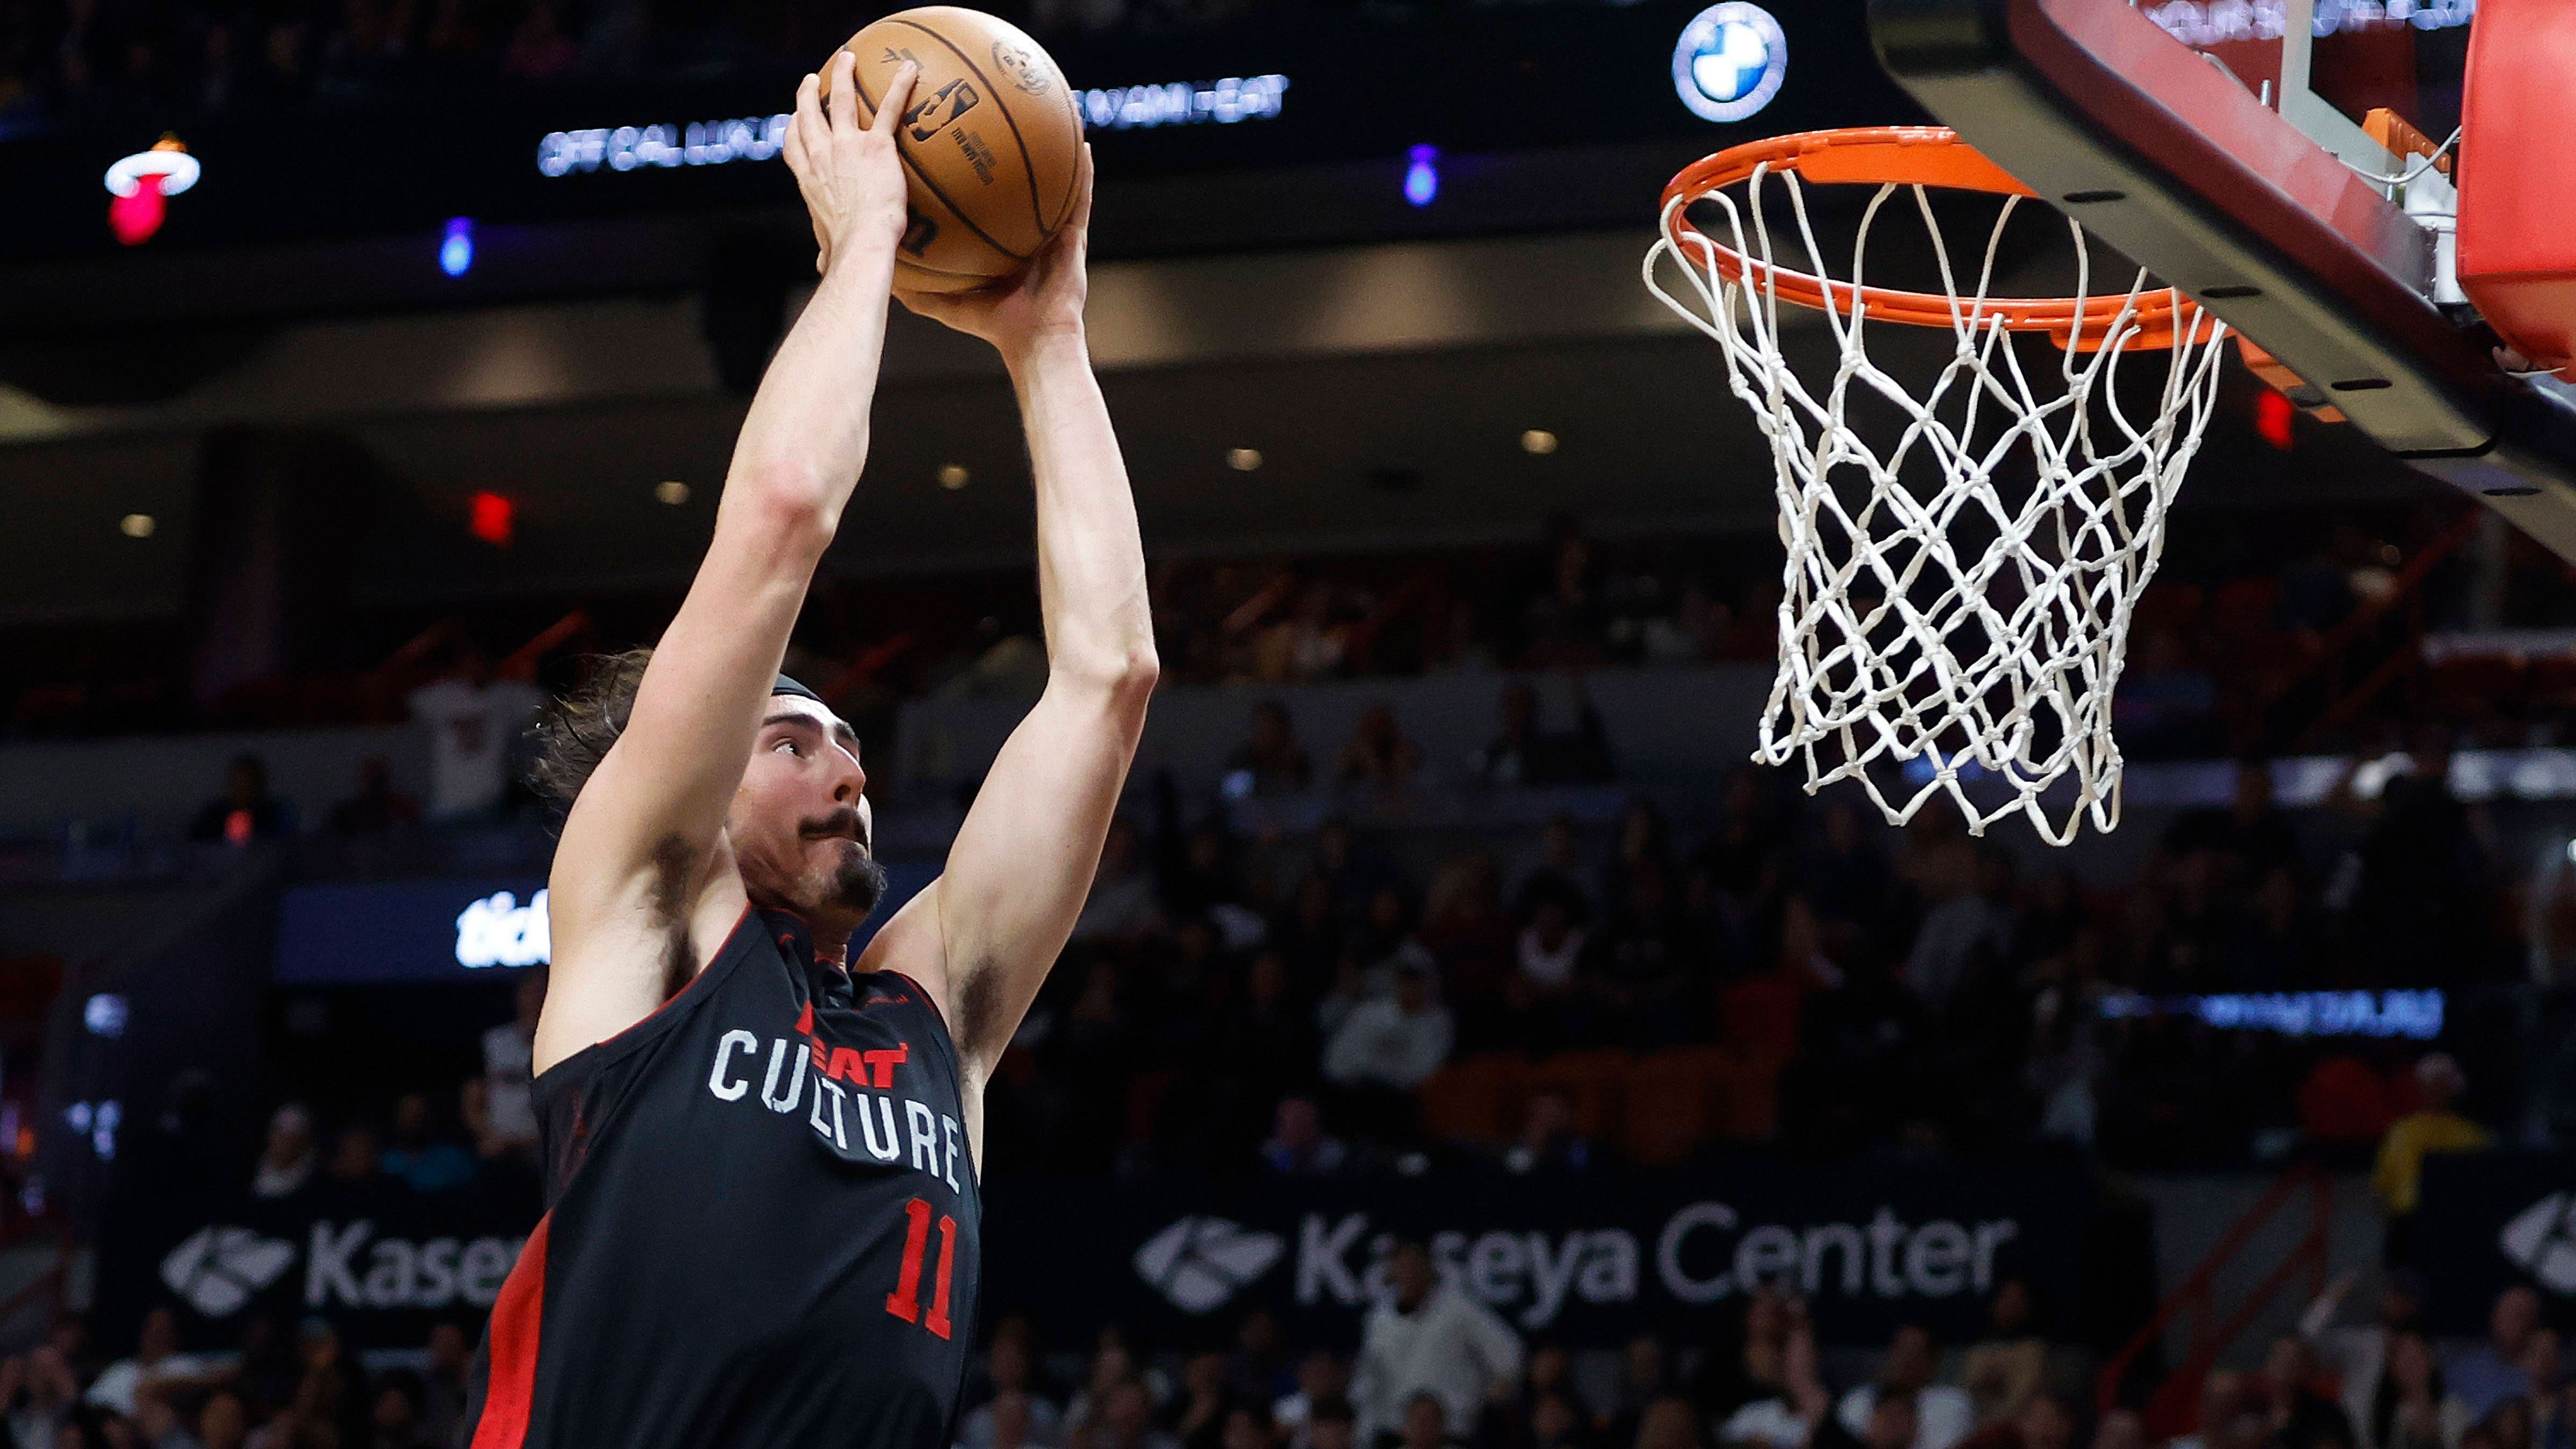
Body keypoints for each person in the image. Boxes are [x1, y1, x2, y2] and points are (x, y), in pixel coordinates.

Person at [456, 60, 1156, 1449]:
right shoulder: (645, 923)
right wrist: (864, 245)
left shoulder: (932, 1011)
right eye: (792, 741)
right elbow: (780, 510)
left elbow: (1108, 677)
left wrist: (1052, 341)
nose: (848, 771)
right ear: (702, 781)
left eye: (851, 744)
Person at [1351, 1239, 1525, 1447]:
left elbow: (1510, 1357)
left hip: (1452, 1435)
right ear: (1392, 1272)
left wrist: (1485, 1403)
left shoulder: (1458, 1309)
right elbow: (1367, 1385)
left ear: (1430, 1270)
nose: (1410, 1273)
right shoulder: (1378, 1322)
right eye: (1404, 1266)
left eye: (1417, 1265)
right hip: (1396, 1437)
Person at [406, 649, 546, 824]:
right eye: (471, 663)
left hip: (492, 803)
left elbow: (543, 703)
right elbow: (408, 704)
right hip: (448, 804)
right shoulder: (442, 696)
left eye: (481, 663)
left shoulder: (505, 696)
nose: (476, 668)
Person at [2373, 1056, 2491, 1233]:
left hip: (2454, 1227)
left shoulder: (2472, 1136)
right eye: (2431, 1085)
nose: (2436, 1092)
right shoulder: (2401, 1132)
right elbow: (2383, 1185)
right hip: (2408, 1223)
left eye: (2442, 1085)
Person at [1838, 1327, 1974, 1449]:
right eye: (1900, 1350)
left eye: (1914, 1351)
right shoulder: (1857, 1400)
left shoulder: (1952, 1402)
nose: (1905, 1359)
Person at [2446, 1287, 2545, 1423]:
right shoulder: (2465, 1369)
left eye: (2519, 1315)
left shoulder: (2541, 1373)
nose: (2509, 1322)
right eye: (2505, 1312)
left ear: (2533, 1324)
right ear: (2494, 1317)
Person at [377, 1091, 476, 1194]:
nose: (413, 1123)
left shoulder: (454, 1159)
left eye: (418, 1115)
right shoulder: (386, 1162)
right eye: (407, 1115)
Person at [185, 755, 286, 846]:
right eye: (240, 782)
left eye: (249, 782)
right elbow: (196, 843)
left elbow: (281, 845)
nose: (244, 788)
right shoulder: (215, 813)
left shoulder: (272, 814)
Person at [327, 756, 420, 837]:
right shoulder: (345, 813)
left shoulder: (402, 807)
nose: (374, 783)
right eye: (370, 777)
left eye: (378, 777)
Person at [248, 1106, 316, 1201]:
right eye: (279, 1134)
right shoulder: (253, 1171)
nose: (282, 1143)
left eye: (290, 1138)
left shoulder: (310, 1184)